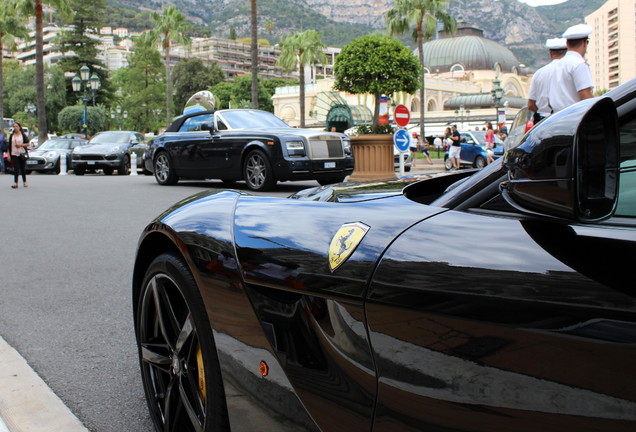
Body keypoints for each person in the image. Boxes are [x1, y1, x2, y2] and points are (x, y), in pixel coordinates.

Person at [548, 23, 594, 114]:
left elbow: (549, 102)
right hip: (575, 117)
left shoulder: (556, 66)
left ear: (567, 43)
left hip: (556, 118)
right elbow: (585, 96)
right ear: (585, 43)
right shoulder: (579, 64)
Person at [528, 38, 567, 124]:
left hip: (542, 121)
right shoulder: (569, 71)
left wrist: (542, 110)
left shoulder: (539, 73)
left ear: (550, 54)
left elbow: (531, 105)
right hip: (566, 119)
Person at [8, 122, 29, 188]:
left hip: (22, 153)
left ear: (19, 127)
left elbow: (28, 144)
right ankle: (15, 183)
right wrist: (9, 154)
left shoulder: (23, 135)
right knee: (16, 168)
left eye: (16, 126)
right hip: (14, 153)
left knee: (22, 168)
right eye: (14, 126)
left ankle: (24, 182)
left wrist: (21, 145)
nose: (15, 128)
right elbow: (9, 146)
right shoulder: (12, 135)